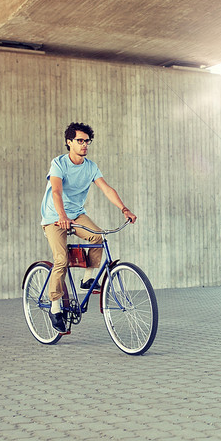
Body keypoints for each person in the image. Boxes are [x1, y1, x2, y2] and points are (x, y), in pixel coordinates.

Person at [40, 122, 137, 333]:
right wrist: (62, 216)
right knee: (61, 260)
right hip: (54, 217)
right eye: (80, 141)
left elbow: (107, 189)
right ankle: (55, 307)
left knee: (98, 237)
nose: (84, 145)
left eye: (87, 141)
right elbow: (56, 191)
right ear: (69, 142)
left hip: (76, 214)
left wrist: (124, 209)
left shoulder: (91, 166)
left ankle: (88, 277)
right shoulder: (59, 164)